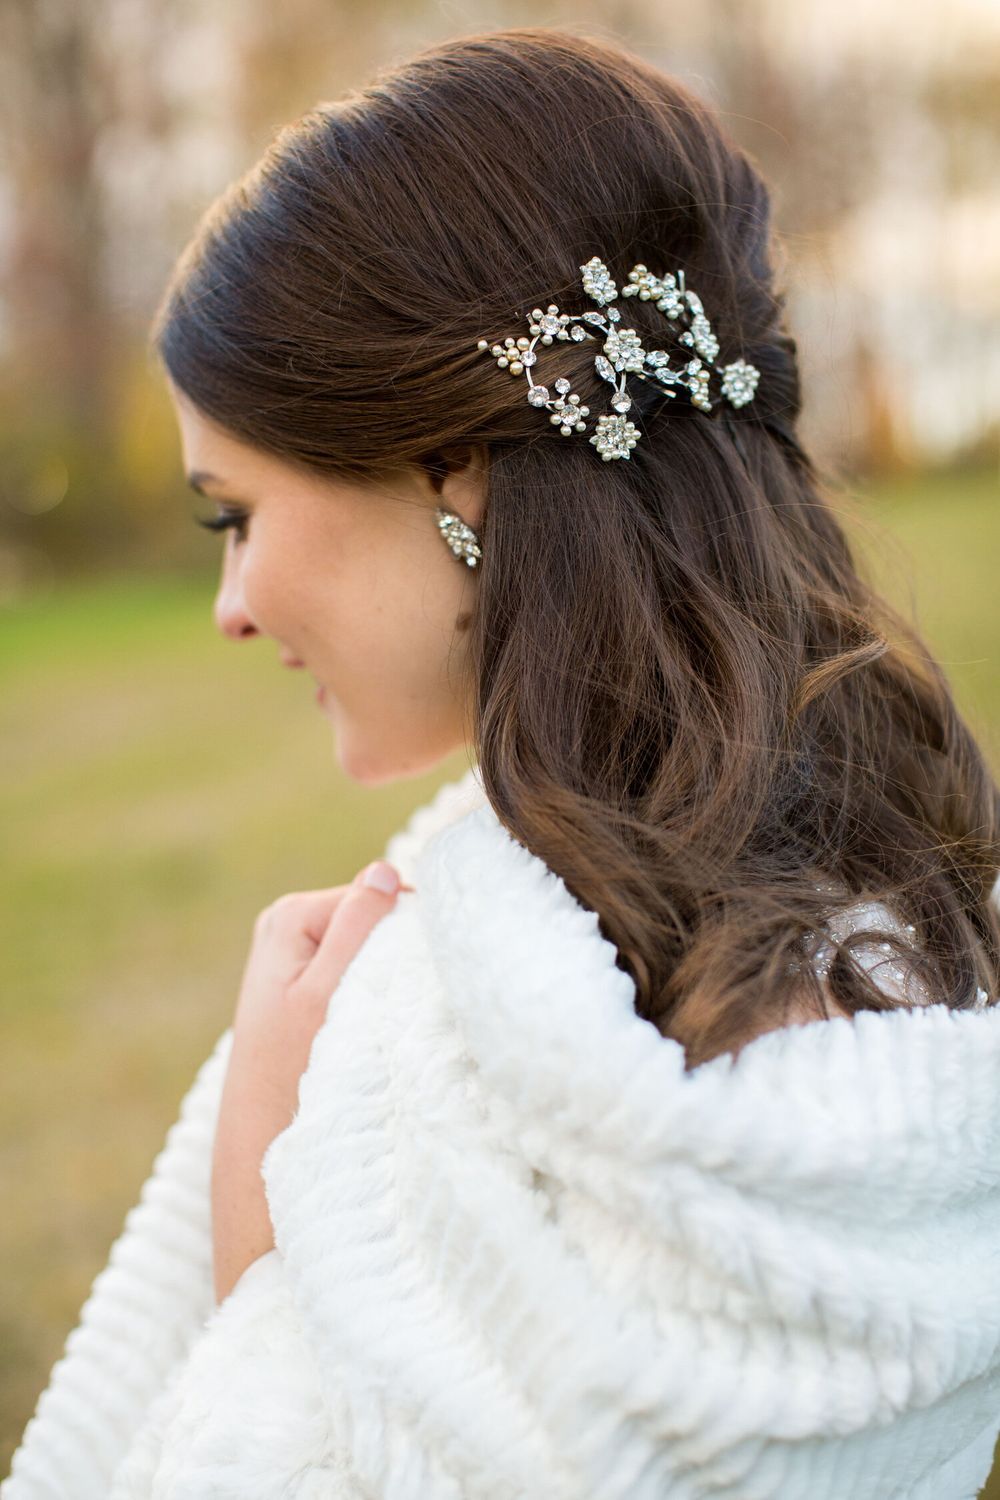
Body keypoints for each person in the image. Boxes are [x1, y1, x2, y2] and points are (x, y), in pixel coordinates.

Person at [5, 25, 1000, 1500]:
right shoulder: (885, 932)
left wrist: (267, 1206)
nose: (229, 605)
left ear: (451, 470)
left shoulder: (466, 1015)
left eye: (237, 516)